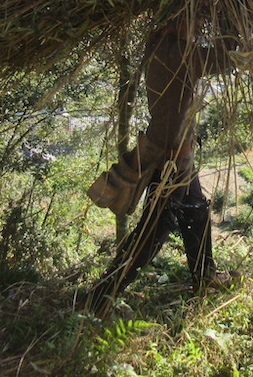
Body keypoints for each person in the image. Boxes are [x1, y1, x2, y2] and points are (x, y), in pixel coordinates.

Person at [86, 22, 234, 316]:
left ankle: (205, 277)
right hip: (170, 162)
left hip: (178, 157)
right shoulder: (176, 51)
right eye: (190, 20)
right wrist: (232, 24)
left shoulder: (160, 45)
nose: (194, 26)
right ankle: (101, 295)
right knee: (153, 232)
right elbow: (224, 58)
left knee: (197, 212)